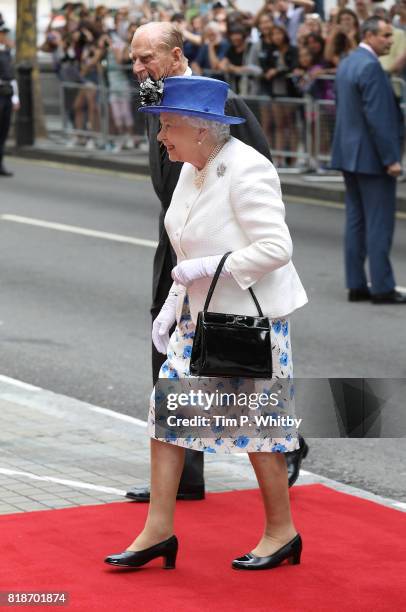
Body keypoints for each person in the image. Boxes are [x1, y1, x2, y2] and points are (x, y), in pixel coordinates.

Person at [104, 75, 308, 571]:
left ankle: (282, 533)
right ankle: (158, 531)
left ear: (201, 129)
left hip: (245, 322)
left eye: (167, 126)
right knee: (166, 417)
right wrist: (176, 301)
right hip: (199, 319)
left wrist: (208, 270)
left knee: (260, 431)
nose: (160, 137)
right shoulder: (192, 169)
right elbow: (185, 249)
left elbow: (277, 249)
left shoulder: (247, 169)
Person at [331, 16, 406, 304]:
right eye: (386, 35)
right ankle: (382, 287)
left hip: (349, 153)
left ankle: (357, 284)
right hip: (372, 157)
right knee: (379, 224)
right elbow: (379, 118)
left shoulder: (349, 61)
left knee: (356, 221)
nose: (390, 40)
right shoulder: (371, 66)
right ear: (370, 35)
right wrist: (391, 159)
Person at [0, 24, 19, 177]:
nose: (5, 37)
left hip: (6, 94)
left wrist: (15, 98)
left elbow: (11, 77)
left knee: (3, 131)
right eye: (3, 34)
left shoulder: (6, 53)